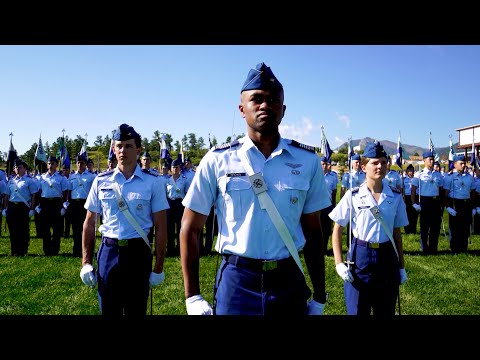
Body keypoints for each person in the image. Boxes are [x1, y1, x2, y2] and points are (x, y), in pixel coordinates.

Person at [180, 62, 331, 315]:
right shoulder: (218, 160)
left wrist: (318, 294)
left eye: (273, 100)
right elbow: (190, 227)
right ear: (242, 109)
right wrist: (192, 295)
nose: (265, 105)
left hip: (288, 280)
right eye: (257, 99)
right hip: (238, 282)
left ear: (282, 110)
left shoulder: (307, 161)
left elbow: (314, 232)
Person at [80, 123, 169, 316]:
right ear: (113, 149)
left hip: (138, 254)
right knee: (108, 309)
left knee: (136, 310)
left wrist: (158, 267)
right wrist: (86, 262)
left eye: (128, 146)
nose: (123, 151)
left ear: (138, 150)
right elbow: (89, 223)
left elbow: (161, 227)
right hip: (108, 252)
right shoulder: (101, 181)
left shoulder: (153, 182)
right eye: (119, 146)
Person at [329, 141, 408, 316]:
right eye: (374, 162)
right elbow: (337, 229)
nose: (380, 166)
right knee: (358, 309)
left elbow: (397, 234)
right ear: (364, 167)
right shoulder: (353, 195)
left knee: (385, 309)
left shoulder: (395, 197)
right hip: (360, 257)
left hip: (387, 257)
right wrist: (339, 263)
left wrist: (401, 266)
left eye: (383, 162)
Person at [2, 159, 38, 256]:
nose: (17, 169)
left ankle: (23, 250)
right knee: (13, 230)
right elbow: (6, 195)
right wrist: (5, 208)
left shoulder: (29, 180)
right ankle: (14, 251)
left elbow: (34, 195)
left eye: (20, 167)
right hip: (12, 206)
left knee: (23, 230)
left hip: (23, 207)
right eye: (16, 167)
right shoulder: (11, 181)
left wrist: (32, 209)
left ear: (25, 168)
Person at [411, 151, 444, 254]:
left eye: (432, 159)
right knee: (424, 226)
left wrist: (442, 203)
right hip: (425, 201)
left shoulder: (438, 175)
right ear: (424, 161)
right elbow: (413, 189)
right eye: (429, 159)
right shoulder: (419, 174)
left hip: (435, 201)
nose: (432, 161)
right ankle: (424, 248)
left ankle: (434, 248)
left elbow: (441, 189)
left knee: (435, 226)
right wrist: (414, 203)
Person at [443, 154, 476, 253]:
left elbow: (472, 193)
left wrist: (473, 207)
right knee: (455, 227)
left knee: (465, 226)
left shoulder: (469, 177)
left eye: (464, 163)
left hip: (466, 204)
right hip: (455, 203)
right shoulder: (449, 177)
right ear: (455, 164)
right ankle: (455, 248)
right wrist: (448, 207)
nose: (464, 165)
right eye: (461, 163)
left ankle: (463, 248)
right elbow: (445, 194)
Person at [37, 155, 69, 256]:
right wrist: (38, 205)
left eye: (53, 163)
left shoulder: (61, 178)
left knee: (57, 229)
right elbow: (39, 192)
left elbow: (65, 192)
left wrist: (64, 205)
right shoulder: (41, 177)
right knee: (45, 229)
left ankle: (55, 250)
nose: (50, 165)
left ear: (57, 165)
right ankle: (47, 250)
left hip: (56, 204)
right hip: (45, 203)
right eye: (49, 163)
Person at [66, 154, 96, 257]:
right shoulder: (72, 176)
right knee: (75, 228)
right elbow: (69, 190)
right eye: (78, 163)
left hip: (86, 203)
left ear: (85, 164)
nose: (79, 165)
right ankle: (77, 250)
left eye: (81, 163)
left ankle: (87, 250)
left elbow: (94, 191)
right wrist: (67, 201)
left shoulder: (92, 176)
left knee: (87, 228)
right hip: (74, 204)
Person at [166, 158, 190, 256]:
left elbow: (188, 194)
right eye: (173, 167)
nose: (175, 169)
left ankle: (180, 248)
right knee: (170, 228)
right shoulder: (167, 180)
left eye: (176, 167)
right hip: (170, 204)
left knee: (181, 228)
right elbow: (165, 194)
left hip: (180, 204)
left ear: (180, 168)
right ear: (170, 169)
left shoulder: (184, 180)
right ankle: (170, 248)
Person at [320, 155, 337, 253]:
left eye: (325, 164)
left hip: (328, 205)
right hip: (317, 205)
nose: (324, 166)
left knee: (326, 229)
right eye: (322, 164)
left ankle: (325, 248)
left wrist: (333, 205)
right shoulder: (316, 176)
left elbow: (334, 192)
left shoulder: (332, 177)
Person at [403, 164, 418, 234]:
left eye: (412, 171)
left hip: (415, 197)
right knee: (407, 214)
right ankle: (407, 230)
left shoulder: (416, 179)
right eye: (409, 171)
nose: (411, 172)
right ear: (406, 172)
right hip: (407, 198)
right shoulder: (404, 179)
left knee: (414, 215)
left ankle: (413, 229)